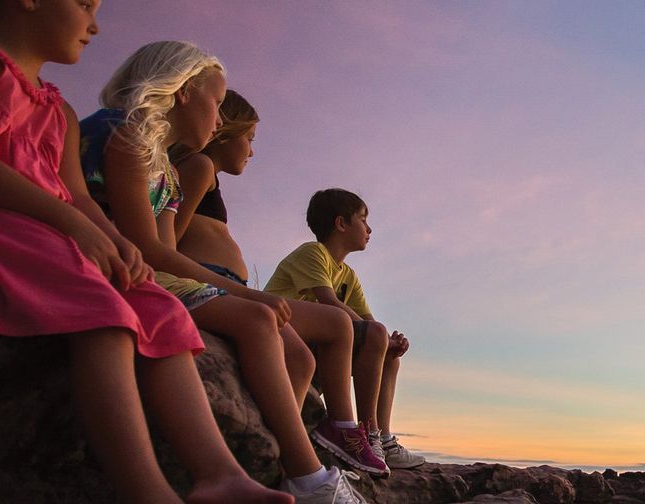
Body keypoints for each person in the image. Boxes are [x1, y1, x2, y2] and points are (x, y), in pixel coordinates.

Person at [0, 1, 289, 502]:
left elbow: (79, 198)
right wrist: (71, 224)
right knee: (105, 314)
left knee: (157, 305)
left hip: (40, 224)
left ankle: (219, 473)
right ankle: (149, 491)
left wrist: (115, 245)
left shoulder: (59, 111)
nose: (95, 24)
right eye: (85, 4)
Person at [78, 41, 374, 499]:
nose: (220, 120)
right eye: (216, 103)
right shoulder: (131, 136)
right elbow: (150, 250)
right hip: (123, 265)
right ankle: (311, 477)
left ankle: (265, 470)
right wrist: (251, 296)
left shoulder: (168, 174)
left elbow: (160, 246)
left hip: (160, 268)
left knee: (299, 356)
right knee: (259, 319)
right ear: (183, 92)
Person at [171, 92, 397, 476]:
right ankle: (340, 432)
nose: (253, 151)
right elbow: (168, 240)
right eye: (251, 138)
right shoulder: (199, 167)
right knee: (339, 324)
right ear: (225, 131)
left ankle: (311, 444)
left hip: (226, 283)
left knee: (329, 347)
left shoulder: (207, 174)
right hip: (210, 281)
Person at [265, 188, 427, 470]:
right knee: (375, 335)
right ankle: (365, 434)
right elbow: (328, 302)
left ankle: (383, 440)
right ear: (341, 224)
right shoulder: (313, 253)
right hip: (289, 339)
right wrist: (379, 335)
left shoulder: (348, 275)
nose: (369, 228)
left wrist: (391, 343)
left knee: (387, 353)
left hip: (326, 344)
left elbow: (368, 321)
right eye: (363, 220)